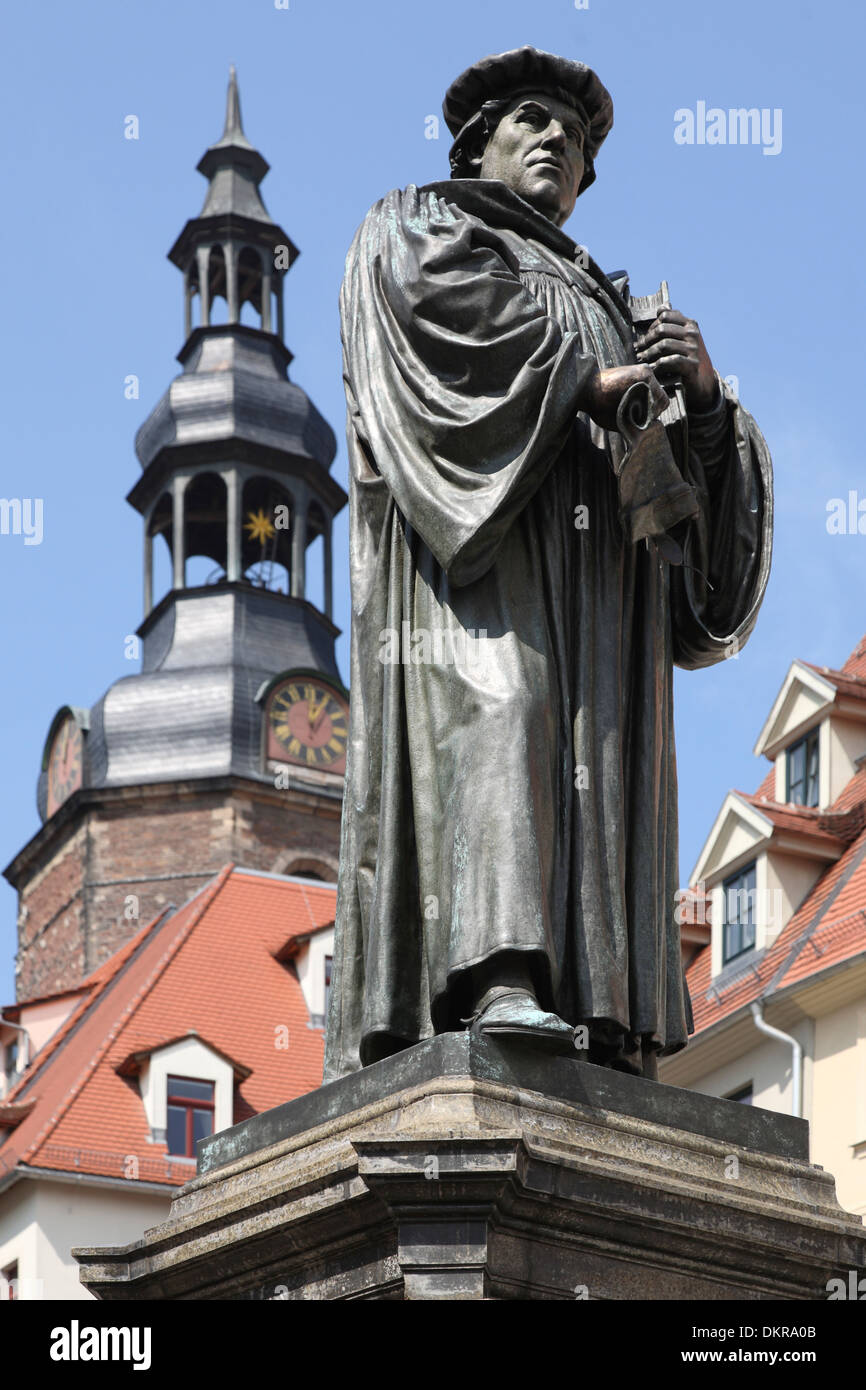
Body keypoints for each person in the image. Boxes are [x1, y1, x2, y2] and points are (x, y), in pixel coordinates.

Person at [324, 46, 772, 1081]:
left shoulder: (605, 297)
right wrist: (585, 372)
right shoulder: (417, 224)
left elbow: (690, 541)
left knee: (595, 762)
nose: (557, 143)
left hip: (604, 599)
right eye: (533, 121)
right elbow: (437, 332)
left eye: (576, 141)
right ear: (476, 139)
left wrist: (700, 401)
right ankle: (493, 975)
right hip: (481, 567)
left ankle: (601, 1008)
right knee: (503, 714)